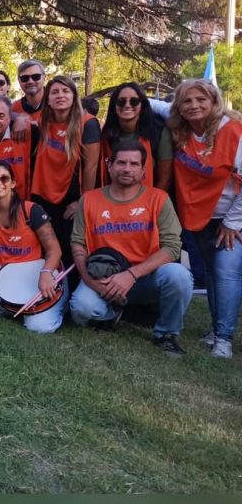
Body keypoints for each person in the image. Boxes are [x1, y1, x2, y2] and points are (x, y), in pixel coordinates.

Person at [70, 142, 192, 354]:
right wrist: (91, 281)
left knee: (179, 276)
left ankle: (166, 334)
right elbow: (78, 243)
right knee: (81, 310)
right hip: (104, 279)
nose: (127, 169)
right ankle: (115, 313)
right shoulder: (88, 200)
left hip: (145, 278)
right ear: (109, 166)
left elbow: (172, 247)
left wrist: (131, 275)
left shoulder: (159, 199)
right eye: (121, 163)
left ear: (143, 170)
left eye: (134, 164)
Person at [168, 79, 242, 359]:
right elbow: (153, 104)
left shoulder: (233, 130)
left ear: (214, 102)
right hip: (200, 216)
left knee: (226, 272)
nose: (194, 105)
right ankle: (216, 328)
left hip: (231, 218)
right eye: (187, 101)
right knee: (211, 273)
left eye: (201, 99)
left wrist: (232, 222)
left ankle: (224, 339)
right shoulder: (182, 129)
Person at [0, 160, 66, 333]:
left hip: (34, 274)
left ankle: (55, 307)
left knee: (39, 328)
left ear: (13, 183)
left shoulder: (31, 210)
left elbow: (54, 249)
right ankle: (7, 307)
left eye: (4, 178)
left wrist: (47, 272)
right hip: (4, 271)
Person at [30, 75, 100, 275]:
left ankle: (73, 288)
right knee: (45, 249)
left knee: (70, 251)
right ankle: (46, 289)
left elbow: (91, 167)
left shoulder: (87, 123)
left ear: (74, 95)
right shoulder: (43, 122)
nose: (60, 95)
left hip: (71, 199)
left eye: (65, 91)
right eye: (55, 92)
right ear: (48, 99)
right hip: (42, 196)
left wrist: (82, 202)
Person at [99, 82, 173, 190]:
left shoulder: (159, 132)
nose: (127, 105)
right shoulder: (106, 135)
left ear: (142, 105)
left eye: (134, 101)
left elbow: (164, 179)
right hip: (113, 196)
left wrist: (153, 200)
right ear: (114, 106)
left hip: (150, 197)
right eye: (121, 102)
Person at [12, 59, 46, 126]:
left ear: (44, 77)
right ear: (19, 80)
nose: (30, 81)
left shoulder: (56, 103)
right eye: (24, 78)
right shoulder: (13, 109)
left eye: (36, 77)